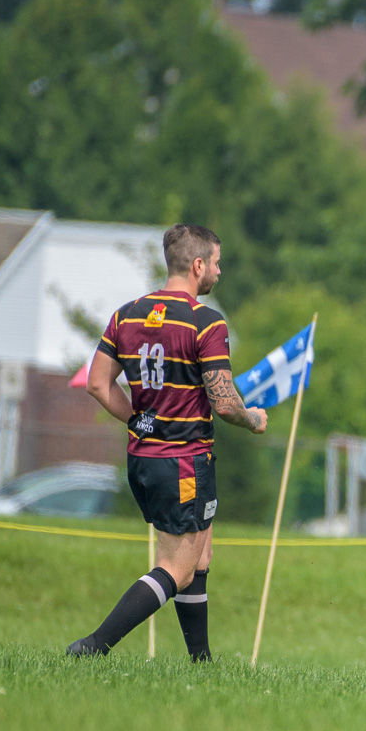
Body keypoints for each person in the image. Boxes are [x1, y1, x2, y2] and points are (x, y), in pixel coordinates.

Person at [67, 225, 267, 657]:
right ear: (197, 266)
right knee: (175, 569)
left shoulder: (127, 315)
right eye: (215, 262)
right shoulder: (205, 321)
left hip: (144, 458)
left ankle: (201, 661)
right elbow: (225, 403)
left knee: (200, 556)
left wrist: (137, 420)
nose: (218, 270)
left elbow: (99, 385)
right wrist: (253, 419)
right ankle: (95, 645)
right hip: (184, 462)